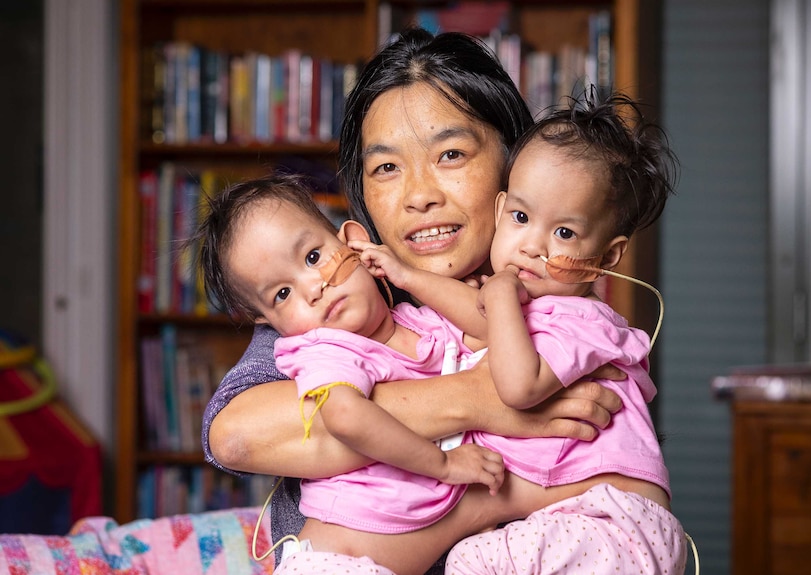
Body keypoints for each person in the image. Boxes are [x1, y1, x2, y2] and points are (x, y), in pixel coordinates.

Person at [202, 28, 624, 575]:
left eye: (450, 154)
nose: (419, 196)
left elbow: (616, 496)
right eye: (386, 168)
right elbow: (237, 435)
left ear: (512, 164)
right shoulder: (331, 306)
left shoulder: (555, 299)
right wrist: (486, 400)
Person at [352, 91, 687, 574]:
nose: (532, 246)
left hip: (615, 525)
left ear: (608, 257)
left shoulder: (584, 322)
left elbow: (518, 385)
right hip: (572, 522)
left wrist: (503, 293)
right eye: (522, 219)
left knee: (471, 561)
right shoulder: (532, 307)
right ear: (502, 207)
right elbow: (478, 316)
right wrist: (408, 279)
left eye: (565, 233)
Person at [195, 173, 505, 574]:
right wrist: (443, 465)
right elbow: (344, 417)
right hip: (338, 563)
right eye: (282, 294)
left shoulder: (425, 321)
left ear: (355, 244)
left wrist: (417, 278)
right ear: (267, 321)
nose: (312, 287)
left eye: (312, 257)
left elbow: (491, 330)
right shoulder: (326, 352)